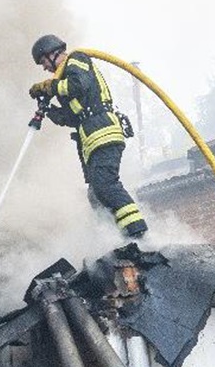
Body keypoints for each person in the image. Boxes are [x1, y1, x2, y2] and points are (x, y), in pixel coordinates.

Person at [28, 34, 148, 238]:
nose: (44, 68)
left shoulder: (77, 59)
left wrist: (49, 86)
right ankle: (115, 238)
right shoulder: (63, 79)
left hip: (103, 132)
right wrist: (47, 110)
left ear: (52, 53)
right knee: (95, 194)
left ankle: (138, 234)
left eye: (43, 62)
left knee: (105, 185)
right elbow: (71, 118)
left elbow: (77, 85)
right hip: (90, 140)